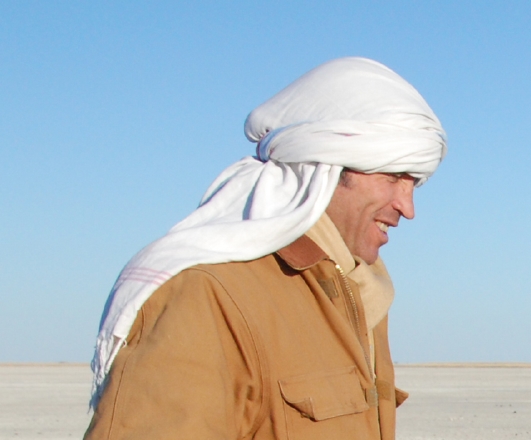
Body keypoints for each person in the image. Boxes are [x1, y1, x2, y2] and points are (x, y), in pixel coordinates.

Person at [84, 57, 447, 439]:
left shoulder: (362, 297)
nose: (408, 208)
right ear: (326, 168)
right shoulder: (210, 296)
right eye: (394, 176)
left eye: (415, 183)